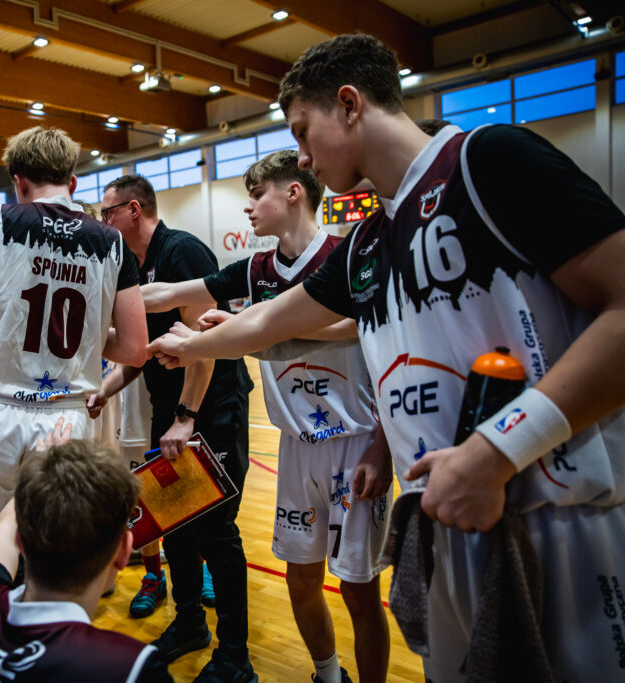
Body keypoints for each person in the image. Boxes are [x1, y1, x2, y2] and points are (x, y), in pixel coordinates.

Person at [147, 33, 625, 682]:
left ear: (349, 104)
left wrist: (495, 451)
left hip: (553, 516)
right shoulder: (369, 241)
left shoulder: (487, 160)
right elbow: (273, 319)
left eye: (303, 132)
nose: (303, 158)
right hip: (445, 518)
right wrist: (191, 344)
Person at [139, 150, 392, 683]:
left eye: (257, 194)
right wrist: (106, 295)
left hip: (355, 439)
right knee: (301, 582)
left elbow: (355, 325)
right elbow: (167, 293)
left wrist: (250, 326)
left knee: (358, 589)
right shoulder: (256, 270)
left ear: (293, 192)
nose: (248, 206)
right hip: (297, 446)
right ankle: (328, 676)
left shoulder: (346, 254)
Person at [0, 125, 148, 558]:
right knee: (56, 551)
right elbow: (133, 350)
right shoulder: (112, 241)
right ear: (73, 182)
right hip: (64, 417)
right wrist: (85, 337)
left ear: (18, 182)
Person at [94, 175, 256, 682]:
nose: (103, 221)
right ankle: (189, 624)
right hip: (171, 414)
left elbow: (203, 346)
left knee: (217, 533)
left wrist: (186, 417)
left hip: (211, 409)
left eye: (107, 212)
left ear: (133, 210)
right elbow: (142, 350)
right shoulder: (133, 265)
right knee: (174, 525)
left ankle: (235, 655)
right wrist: (107, 389)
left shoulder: (182, 252)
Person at [0, 420, 172, 683]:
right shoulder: (130, 669)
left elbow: (4, 528)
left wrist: (42, 466)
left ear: (21, 542)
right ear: (123, 552)